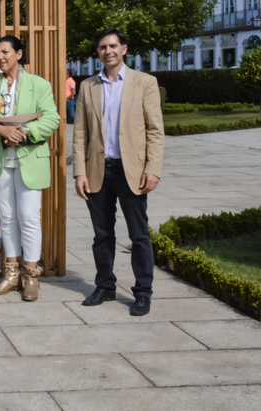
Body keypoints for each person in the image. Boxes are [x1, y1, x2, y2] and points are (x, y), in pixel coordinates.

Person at [74, 28, 165, 316]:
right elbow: (80, 134)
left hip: (133, 171)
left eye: (113, 46)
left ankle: (142, 292)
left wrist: (153, 169)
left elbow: (155, 131)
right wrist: (79, 172)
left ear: (124, 49)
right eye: (102, 47)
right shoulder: (88, 86)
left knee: (139, 234)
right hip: (98, 170)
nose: (108, 51)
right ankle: (105, 286)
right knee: (102, 235)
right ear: (98, 52)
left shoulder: (144, 83)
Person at [0, 36, 61, 300]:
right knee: (8, 219)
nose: (0, 57)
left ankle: (31, 276)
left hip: (29, 159)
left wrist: (24, 132)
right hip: (0, 160)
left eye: (5, 52)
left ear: (19, 54)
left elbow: (52, 118)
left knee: (30, 218)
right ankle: (10, 275)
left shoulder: (39, 84)